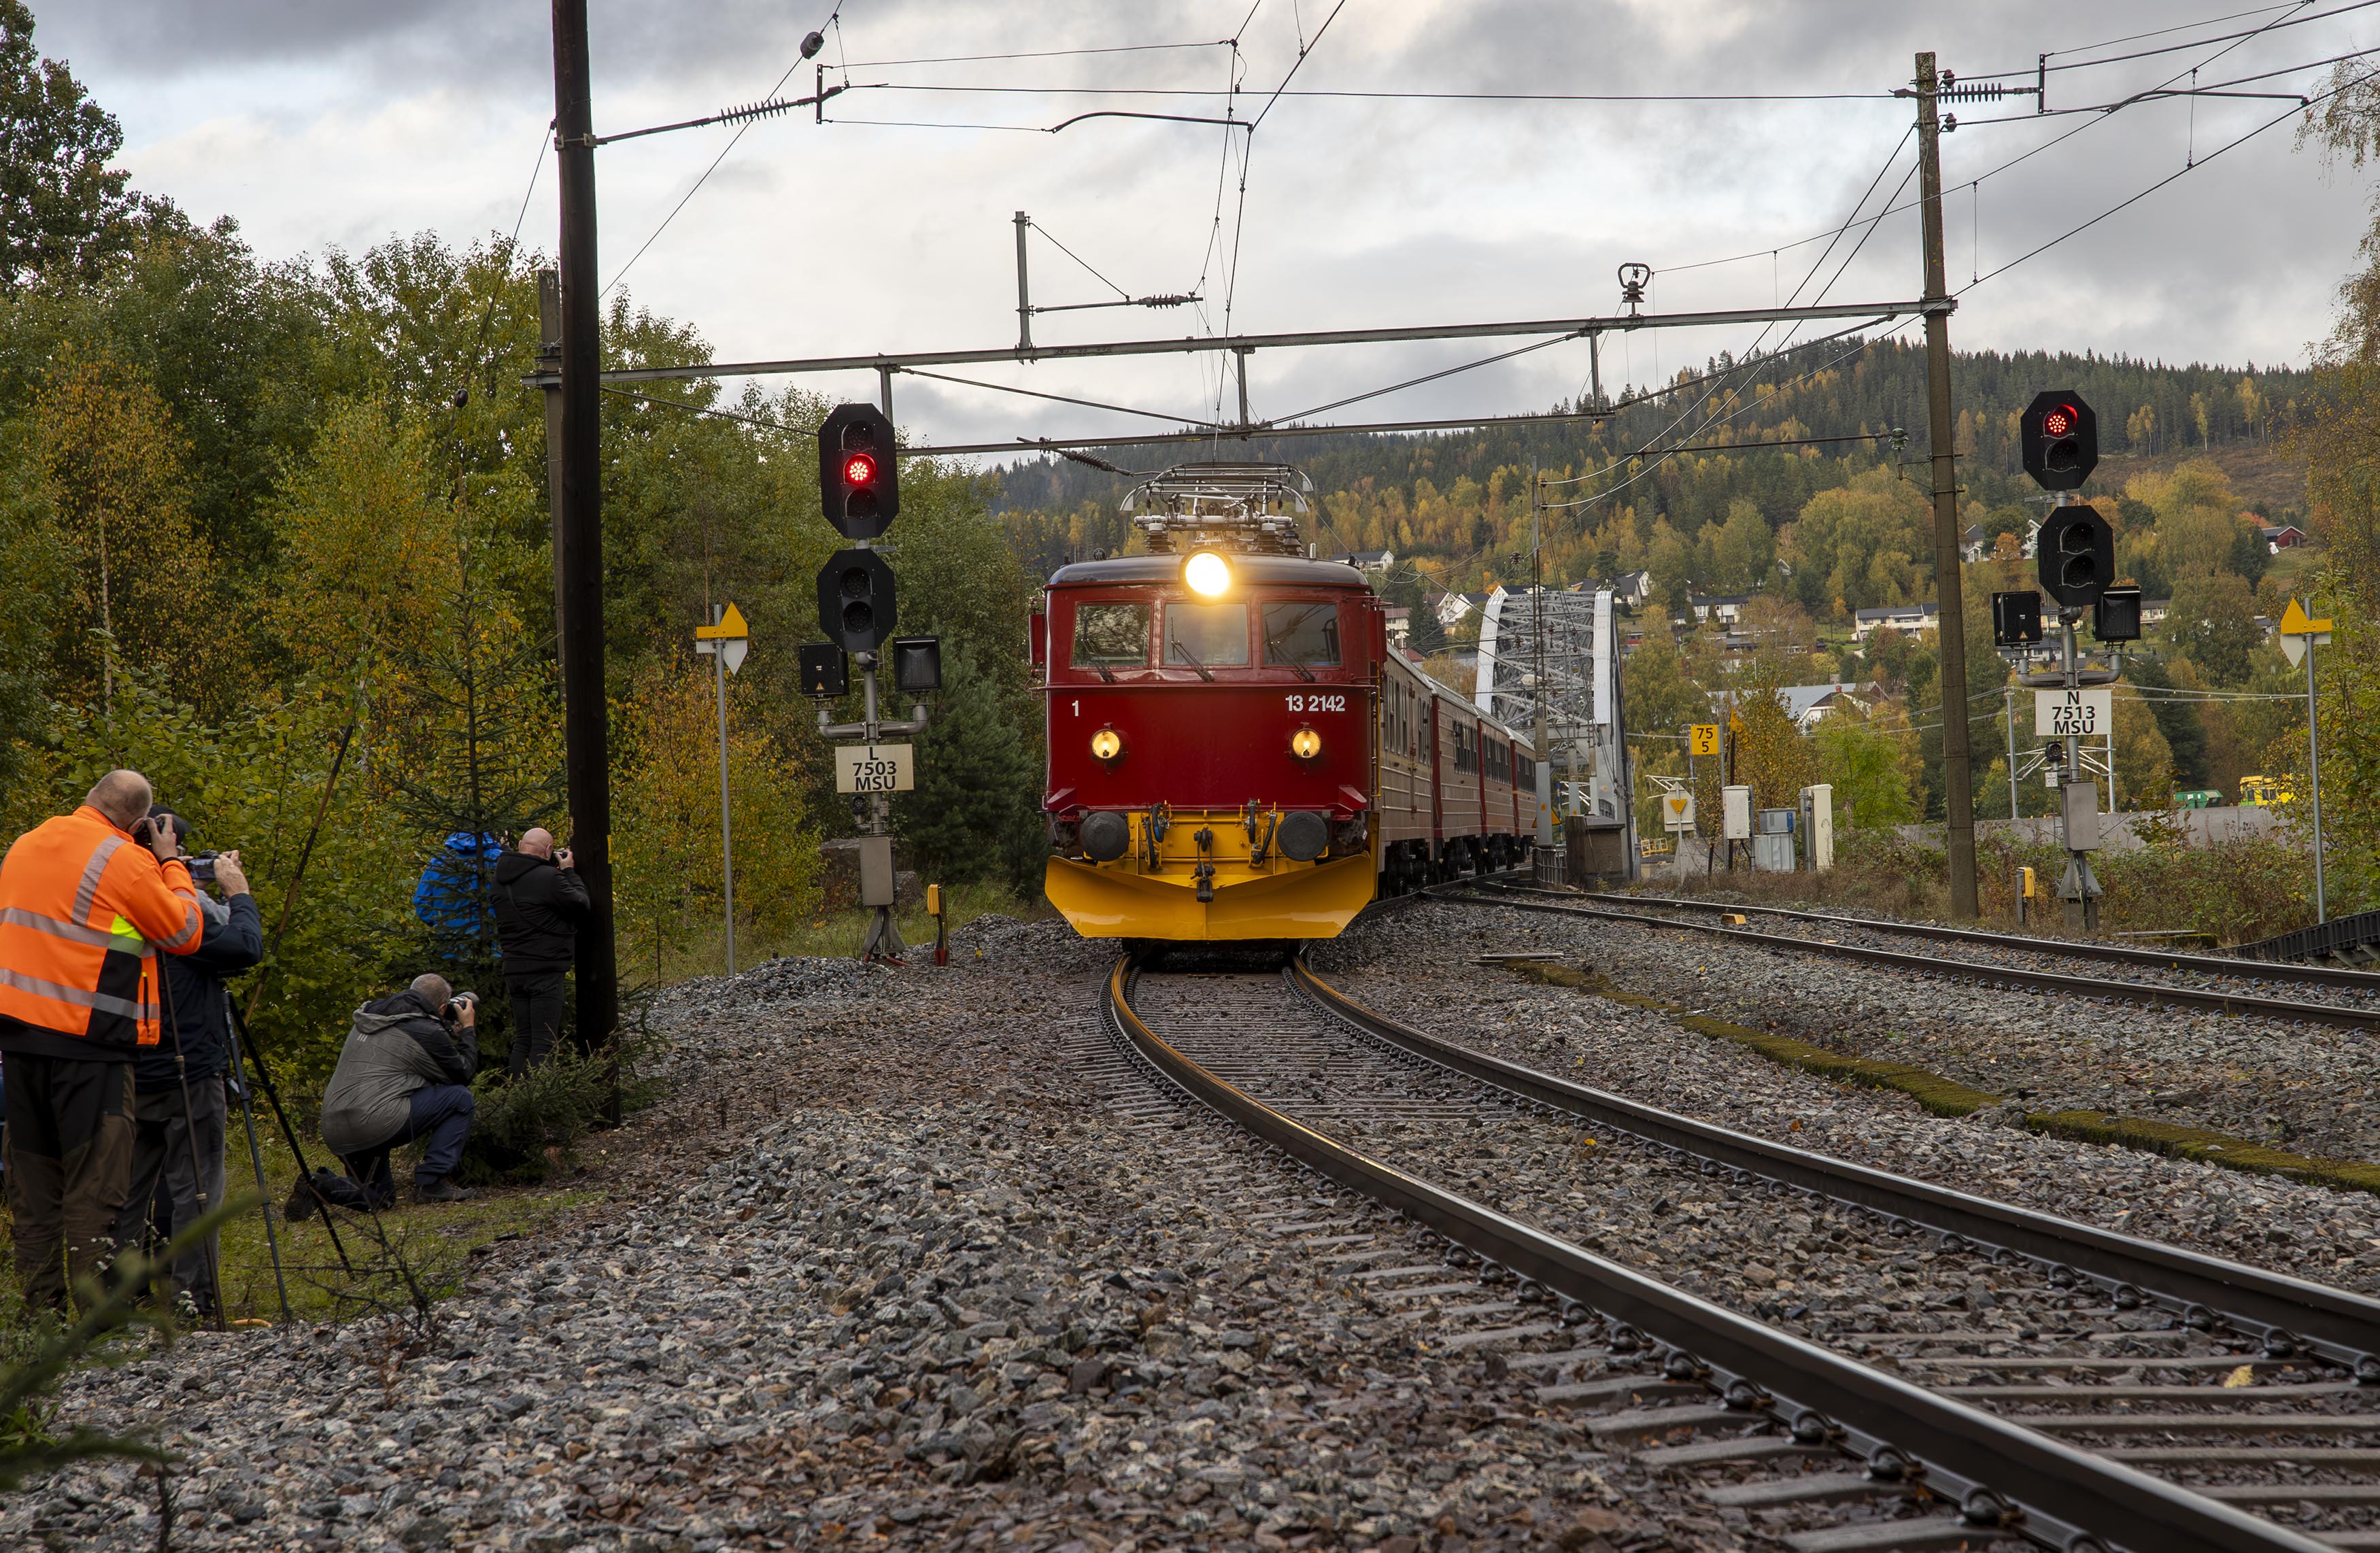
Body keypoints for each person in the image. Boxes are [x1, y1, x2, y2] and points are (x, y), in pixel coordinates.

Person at [0, 770, 206, 1310]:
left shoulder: (25, 845)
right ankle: (98, 1319)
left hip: (18, 1044)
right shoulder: (123, 858)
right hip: (89, 1047)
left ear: (91, 798)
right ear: (139, 825)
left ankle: (39, 1318)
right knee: (96, 1187)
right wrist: (172, 864)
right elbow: (185, 933)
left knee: (33, 1188)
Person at [113, 809, 262, 1316]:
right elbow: (245, 947)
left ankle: (116, 1297)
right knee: (196, 1187)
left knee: (126, 1191)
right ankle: (190, 1300)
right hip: (188, 1067)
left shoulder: (104, 904)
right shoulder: (181, 915)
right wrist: (237, 893)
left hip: (123, 1067)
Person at [292, 973, 478, 1214]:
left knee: (380, 1199)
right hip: (375, 1122)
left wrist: (444, 1027)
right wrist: (467, 1029)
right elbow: (463, 1073)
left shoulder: (371, 1015)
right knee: (459, 1098)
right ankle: (432, 1183)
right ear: (442, 1007)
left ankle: (319, 1184)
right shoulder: (426, 1030)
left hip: (335, 1127)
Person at [490, 827, 585, 1074]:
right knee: (543, 1043)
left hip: (514, 969)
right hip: (544, 969)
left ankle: (517, 1092)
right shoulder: (548, 877)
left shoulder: (499, 879)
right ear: (549, 850)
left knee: (523, 1040)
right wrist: (569, 871)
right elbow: (581, 904)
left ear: (521, 845)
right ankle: (540, 1095)